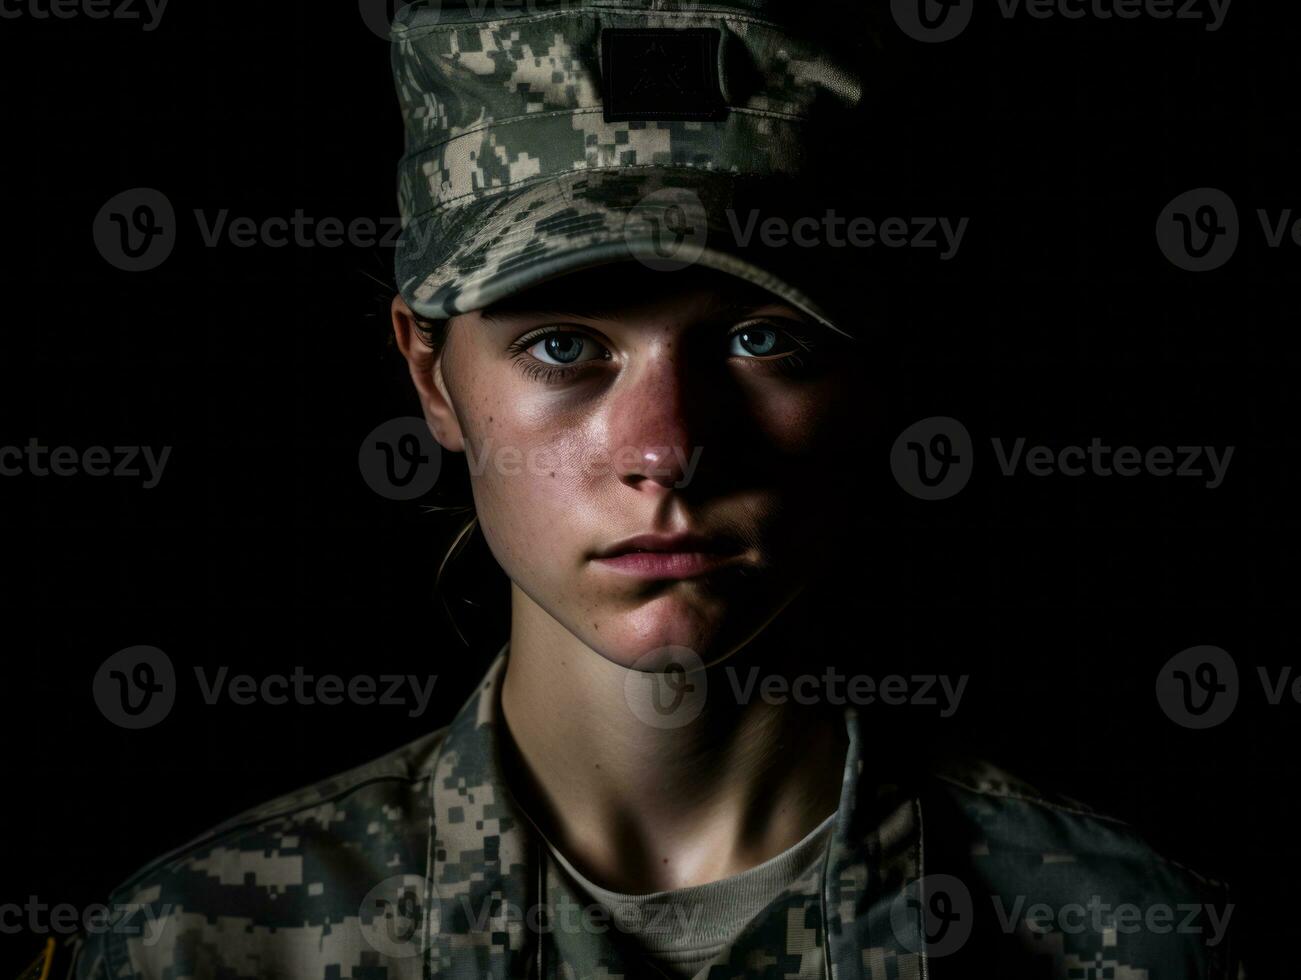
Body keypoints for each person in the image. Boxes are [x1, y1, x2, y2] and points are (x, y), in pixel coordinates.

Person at [71, 1, 1244, 978]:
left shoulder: (1123, 938)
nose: (666, 449)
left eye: (758, 339)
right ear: (431, 375)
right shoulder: (202, 941)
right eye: (564, 347)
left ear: (873, 367)